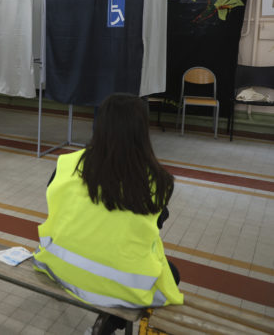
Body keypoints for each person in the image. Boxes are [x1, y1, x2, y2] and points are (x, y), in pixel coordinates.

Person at [32, 93, 183, 335]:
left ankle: (107, 323)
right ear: (142, 131)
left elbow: (55, 206)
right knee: (172, 273)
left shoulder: (67, 164)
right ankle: (110, 323)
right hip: (124, 286)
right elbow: (153, 229)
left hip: (58, 268)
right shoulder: (159, 181)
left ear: (99, 125)